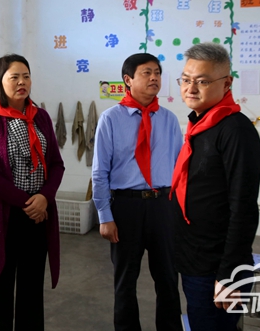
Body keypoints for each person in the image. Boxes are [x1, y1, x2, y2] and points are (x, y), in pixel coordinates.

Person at [170, 42, 260, 331]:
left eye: (202, 81)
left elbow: (243, 208)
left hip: (217, 266)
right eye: (186, 80)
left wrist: (229, 275)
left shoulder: (235, 131)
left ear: (226, 83)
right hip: (195, 257)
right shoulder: (201, 125)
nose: (191, 88)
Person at [92, 53, 183, 331]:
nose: (154, 77)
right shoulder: (110, 119)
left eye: (157, 72)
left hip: (162, 206)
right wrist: (105, 216)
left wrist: (178, 211)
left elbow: (180, 169)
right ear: (128, 80)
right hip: (125, 208)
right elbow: (100, 171)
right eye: (146, 72)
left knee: (168, 279)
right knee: (125, 281)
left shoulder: (169, 119)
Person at [0, 53, 65, 331]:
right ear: (0, 81)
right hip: (4, 216)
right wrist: (28, 203)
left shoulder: (41, 117)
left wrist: (44, 197)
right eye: (14, 77)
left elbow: (56, 164)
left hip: (38, 216)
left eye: (26, 76)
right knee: (0, 288)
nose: (21, 82)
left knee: (31, 289)